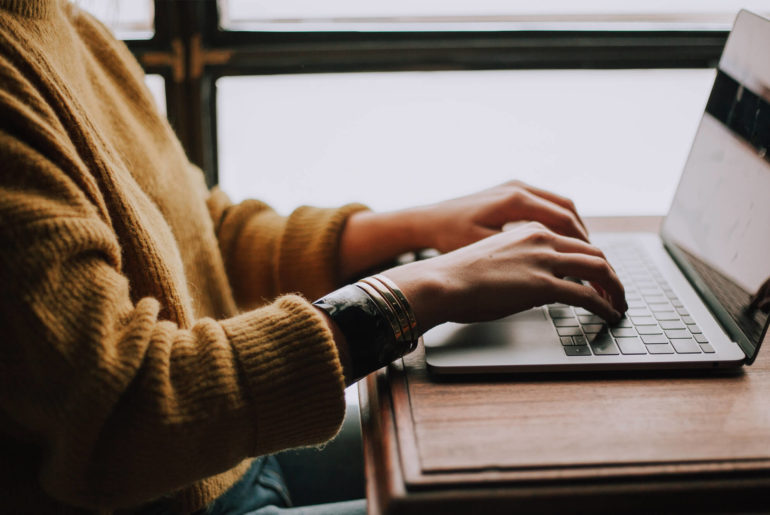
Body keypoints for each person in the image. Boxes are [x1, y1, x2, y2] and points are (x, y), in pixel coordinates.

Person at [0, 1, 627, 513]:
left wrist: (417, 227)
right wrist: (421, 290)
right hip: (172, 493)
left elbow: (201, 240)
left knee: (550, 453)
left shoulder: (63, 21)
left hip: (226, 462)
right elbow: (121, 418)